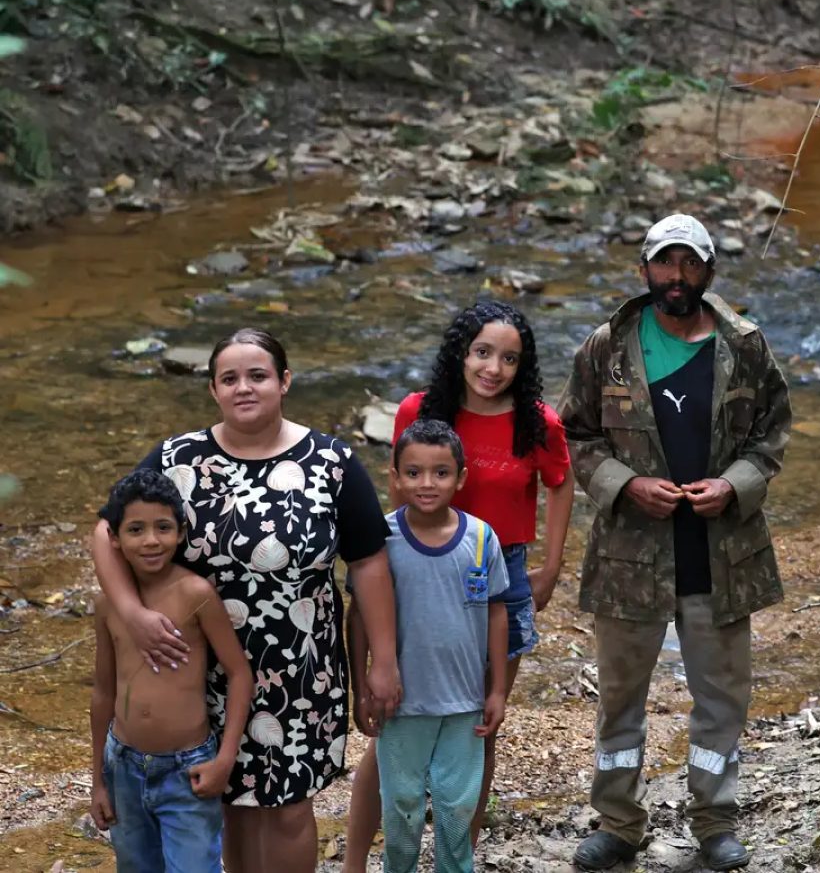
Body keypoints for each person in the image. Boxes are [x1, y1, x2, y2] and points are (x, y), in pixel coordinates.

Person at [91, 328, 401, 873]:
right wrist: (132, 613)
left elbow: (370, 562)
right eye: (229, 378)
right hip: (200, 671)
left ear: (284, 381)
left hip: (302, 673)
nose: (244, 388)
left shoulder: (331, 462)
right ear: (213, 389)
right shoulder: (176, 458)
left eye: (257, 375)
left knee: (285, 810)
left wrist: (384, 662)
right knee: (227, 803)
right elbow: (105, 530)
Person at [557, 213, 791, 871]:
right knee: (620, 696)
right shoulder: (608, 346)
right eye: (665, 263)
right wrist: (625, 484)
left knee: (721, 696)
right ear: (645, 270)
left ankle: (715, 824)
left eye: (690, 264)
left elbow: (771, 434)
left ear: (709, 271)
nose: (677, 277)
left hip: (721, 553)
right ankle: (619, 824)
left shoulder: (744, 344)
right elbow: (575, 435)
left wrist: (735, 483)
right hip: (631, 553)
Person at [345, 300, 573, 868]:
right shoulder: (422, 410)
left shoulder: (536, 421)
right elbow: (398, 493)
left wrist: (551, 564)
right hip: (415, 566)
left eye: (509, 358)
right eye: (482, 353)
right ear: (460, 353)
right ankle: (354, 859)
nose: (493, 368)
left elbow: (561, 483)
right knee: (392, 721)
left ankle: (460, 853)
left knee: (479, 722)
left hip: (501, 569)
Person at [90, 469, 255, 873]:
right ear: (113, 537)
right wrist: (98, 780)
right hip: (124, 767)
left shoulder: (195, 595)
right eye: (136, 529)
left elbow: (239, 674)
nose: (150, 540)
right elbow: (103, 693)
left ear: (181, 532)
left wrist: (225, 759)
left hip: (188, 769)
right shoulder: (108, 605)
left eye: (163, 527)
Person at [366, 418, 509, 873]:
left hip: (464, 703)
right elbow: (359, 617)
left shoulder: (482, 538)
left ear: (461, 477)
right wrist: (362, 686)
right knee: (401, 807)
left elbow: (497, 613)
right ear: (395, 476)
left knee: (456, 807)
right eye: (413, 472)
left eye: (440, 472)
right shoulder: (380, 540)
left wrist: (498, 690)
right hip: (401, 706)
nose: (426, 483)